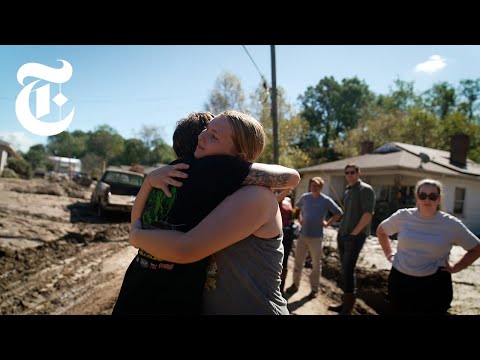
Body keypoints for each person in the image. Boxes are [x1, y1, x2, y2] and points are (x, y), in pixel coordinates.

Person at [113, 110, 299, 315]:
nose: (201, 137)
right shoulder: (212, 188)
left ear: (239, 158)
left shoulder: (256, 195)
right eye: (206, 130)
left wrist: (137, 236)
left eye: (214, 135)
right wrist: (149, 180)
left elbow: (185, 249)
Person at [376, 178, 480, 314]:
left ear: (439, 199)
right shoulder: (403, 216)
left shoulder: (451, 224)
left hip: (435, 285)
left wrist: (456, 267)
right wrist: (389, 255)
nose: (427, 200)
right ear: (416, 197)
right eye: (423, 195)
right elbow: (381, 231)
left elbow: (476, 248)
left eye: (432, 196)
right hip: (400, 282)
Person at [285, 177, 343, 299]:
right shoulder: (305, 197)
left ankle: (314, 290)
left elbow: (339, 213)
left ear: (321, 187)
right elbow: (297, 207)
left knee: (316, 265)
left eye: (316, 186)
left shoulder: (326, 200)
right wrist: (299, 217)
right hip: (303, 235)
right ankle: (295, 285)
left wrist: (327, 223)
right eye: (312, 185)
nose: (313, 188)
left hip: (316, 238)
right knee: (298, 263)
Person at [328, 164, 375, 314]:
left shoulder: (365, 190)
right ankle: (344, 304)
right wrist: (342, 232)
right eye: (347, 173)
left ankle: (348, 308)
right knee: (344, 270)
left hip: (355, 237)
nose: (349, 175)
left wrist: (354, 233)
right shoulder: (348, 190)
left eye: (352, 172)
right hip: (342, 234)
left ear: (358, 172)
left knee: (348, 269)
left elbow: (368, 214)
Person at [276, 188, 296, 293]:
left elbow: (290, 215)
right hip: (276, 233)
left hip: (287, 233)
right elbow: (276, 202)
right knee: (275, 260)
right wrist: (287, 190)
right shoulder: (273, 196)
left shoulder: (288, 200)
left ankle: (281, 287)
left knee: (285, 260)